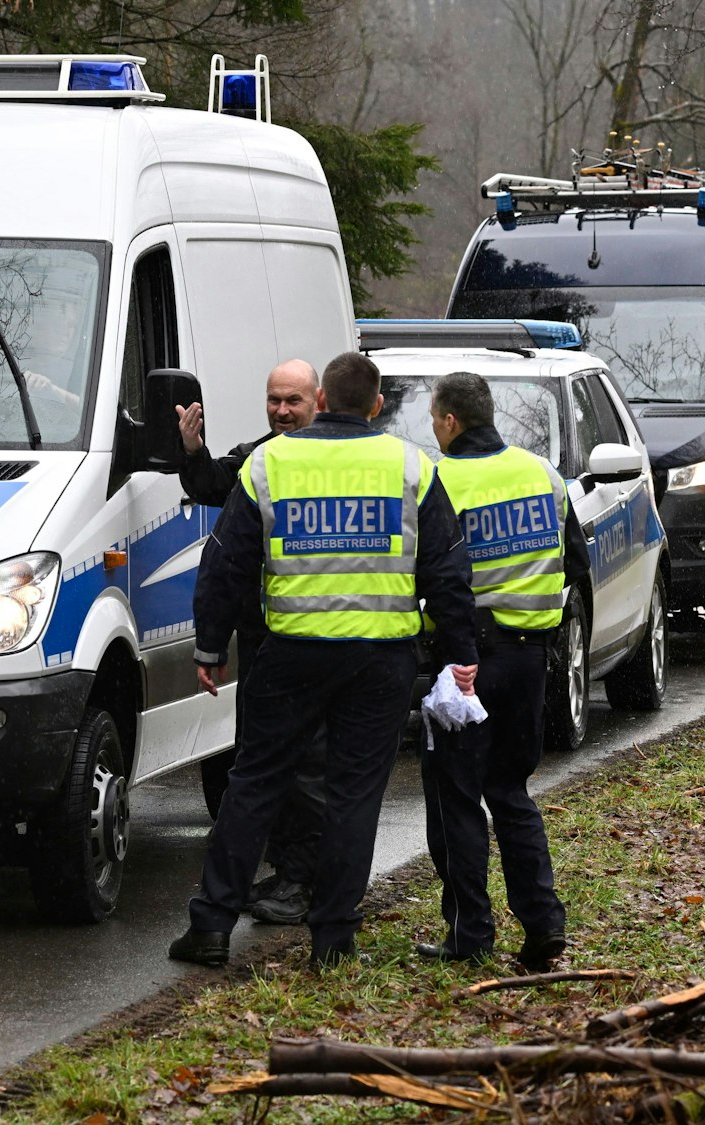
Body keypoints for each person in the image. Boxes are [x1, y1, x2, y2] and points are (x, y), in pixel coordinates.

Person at [170, 352, 480, 968]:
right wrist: (462, 655)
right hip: (380, 660)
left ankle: (210, 926)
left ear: (321, 401)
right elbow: (448, 568)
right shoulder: (410, 466)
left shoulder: (270, 461)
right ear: (374, 407)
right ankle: (333, 939)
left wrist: (210, 645)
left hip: (289, 655)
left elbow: (226, 561)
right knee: (354, 797)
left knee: (253, 784)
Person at [414, 372, 589, 970]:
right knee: (510, 792)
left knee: (455, 798)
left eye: (434, 419)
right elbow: (574, 564)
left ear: (450, 422)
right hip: (530, 659)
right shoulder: (543, 473)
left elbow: (435, 578)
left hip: (468, 665)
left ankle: (470, 933)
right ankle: (543, 926)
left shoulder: (443, 481)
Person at [177, 359, 325, 926]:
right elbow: (216, 489)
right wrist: (192, 452)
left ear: (319, 399)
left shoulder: (345, 457)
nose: (283, 412)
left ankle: (304, 884)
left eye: (294, 401)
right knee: (269, 763)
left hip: (326, 640)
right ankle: (291, 875)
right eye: (274, 401)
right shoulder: (260, 457)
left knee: (306, 769)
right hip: (266, 638)